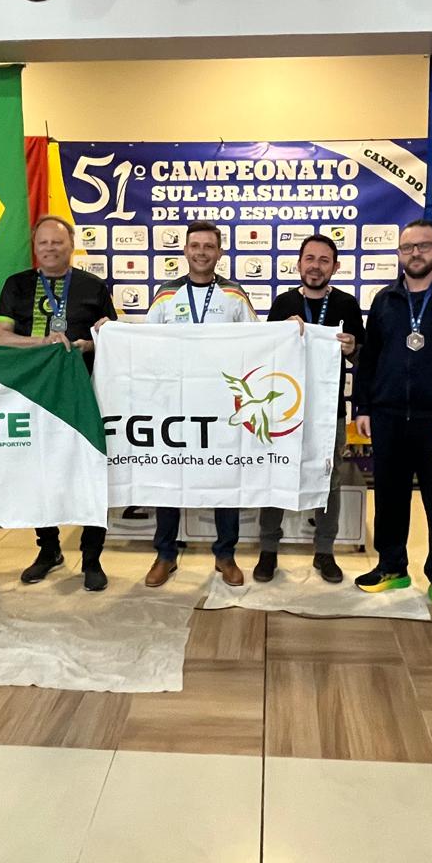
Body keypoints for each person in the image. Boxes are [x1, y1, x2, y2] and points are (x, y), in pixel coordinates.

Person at [353, 218, 432, 615]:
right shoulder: (384, 301)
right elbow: (369, 359)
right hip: (389, 418)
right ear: (399, 254)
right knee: (389, 497)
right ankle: (392, 566)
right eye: (407, 247)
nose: (415, 253)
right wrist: (364, 406)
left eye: (424, 246)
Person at [0, 214, 118, 591]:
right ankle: (48, 550)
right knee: (38, 474)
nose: (50, 248)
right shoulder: (16, 284)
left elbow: (112, 339)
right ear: (35, 246)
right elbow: (1, 337)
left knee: (91, 472)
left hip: (84, 395)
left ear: (71, 245)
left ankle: (92, 558)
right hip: (32, 394)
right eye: (43, 242)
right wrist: (43, 343)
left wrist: (89, 345)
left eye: (57, 242)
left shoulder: (93, 286)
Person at [144, 220, 256, 588]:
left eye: (209, 246)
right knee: (169, 476)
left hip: (222, 404)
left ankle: (225, 554)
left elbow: (258, 341)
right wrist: (108, 332)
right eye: (195, 246)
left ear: (219, 252)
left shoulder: (234, 294)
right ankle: (165, 554)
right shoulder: (166, 294)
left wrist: (289, 330)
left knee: (224, 476)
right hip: (174, 405)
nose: (202, 252)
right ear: (185, 250)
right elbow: (144, 344)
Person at [254, 233, 364, 583]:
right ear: (299, 263)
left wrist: (353, 349)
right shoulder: (283, 303)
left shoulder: (347, 304)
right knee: (276, 474)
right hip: (285, 410)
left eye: (324, 260)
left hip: (330, 412)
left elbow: (365, 357)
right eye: (310, 259)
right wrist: (280, 335)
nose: (316, 266)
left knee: (329, 479)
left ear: (335, 266)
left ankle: (324, 552)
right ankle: (268, 550)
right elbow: (264, 356)